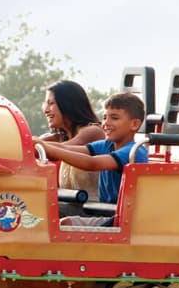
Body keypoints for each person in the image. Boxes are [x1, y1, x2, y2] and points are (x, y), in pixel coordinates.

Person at [35, 92, 149, 226]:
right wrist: (38, 144)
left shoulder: (133, 151)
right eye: (105, 117)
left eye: (114, 118)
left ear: (134, 124)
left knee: (66, 223)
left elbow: (92, 163)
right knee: (44, 207)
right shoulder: (107, 145)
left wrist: (49, 149)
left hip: (119, 218)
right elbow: (67, 149)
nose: (106, 123)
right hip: (102, 210)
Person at [39, 81, 104, 214]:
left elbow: (58, 150)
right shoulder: (60, 136)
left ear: (68, 105)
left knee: (36, 210)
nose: (46, 110)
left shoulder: (93, 132)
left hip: (93, 209)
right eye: (46, 103)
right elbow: (28, 147)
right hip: (71, 205)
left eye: (51, 103)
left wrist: (36, 145)